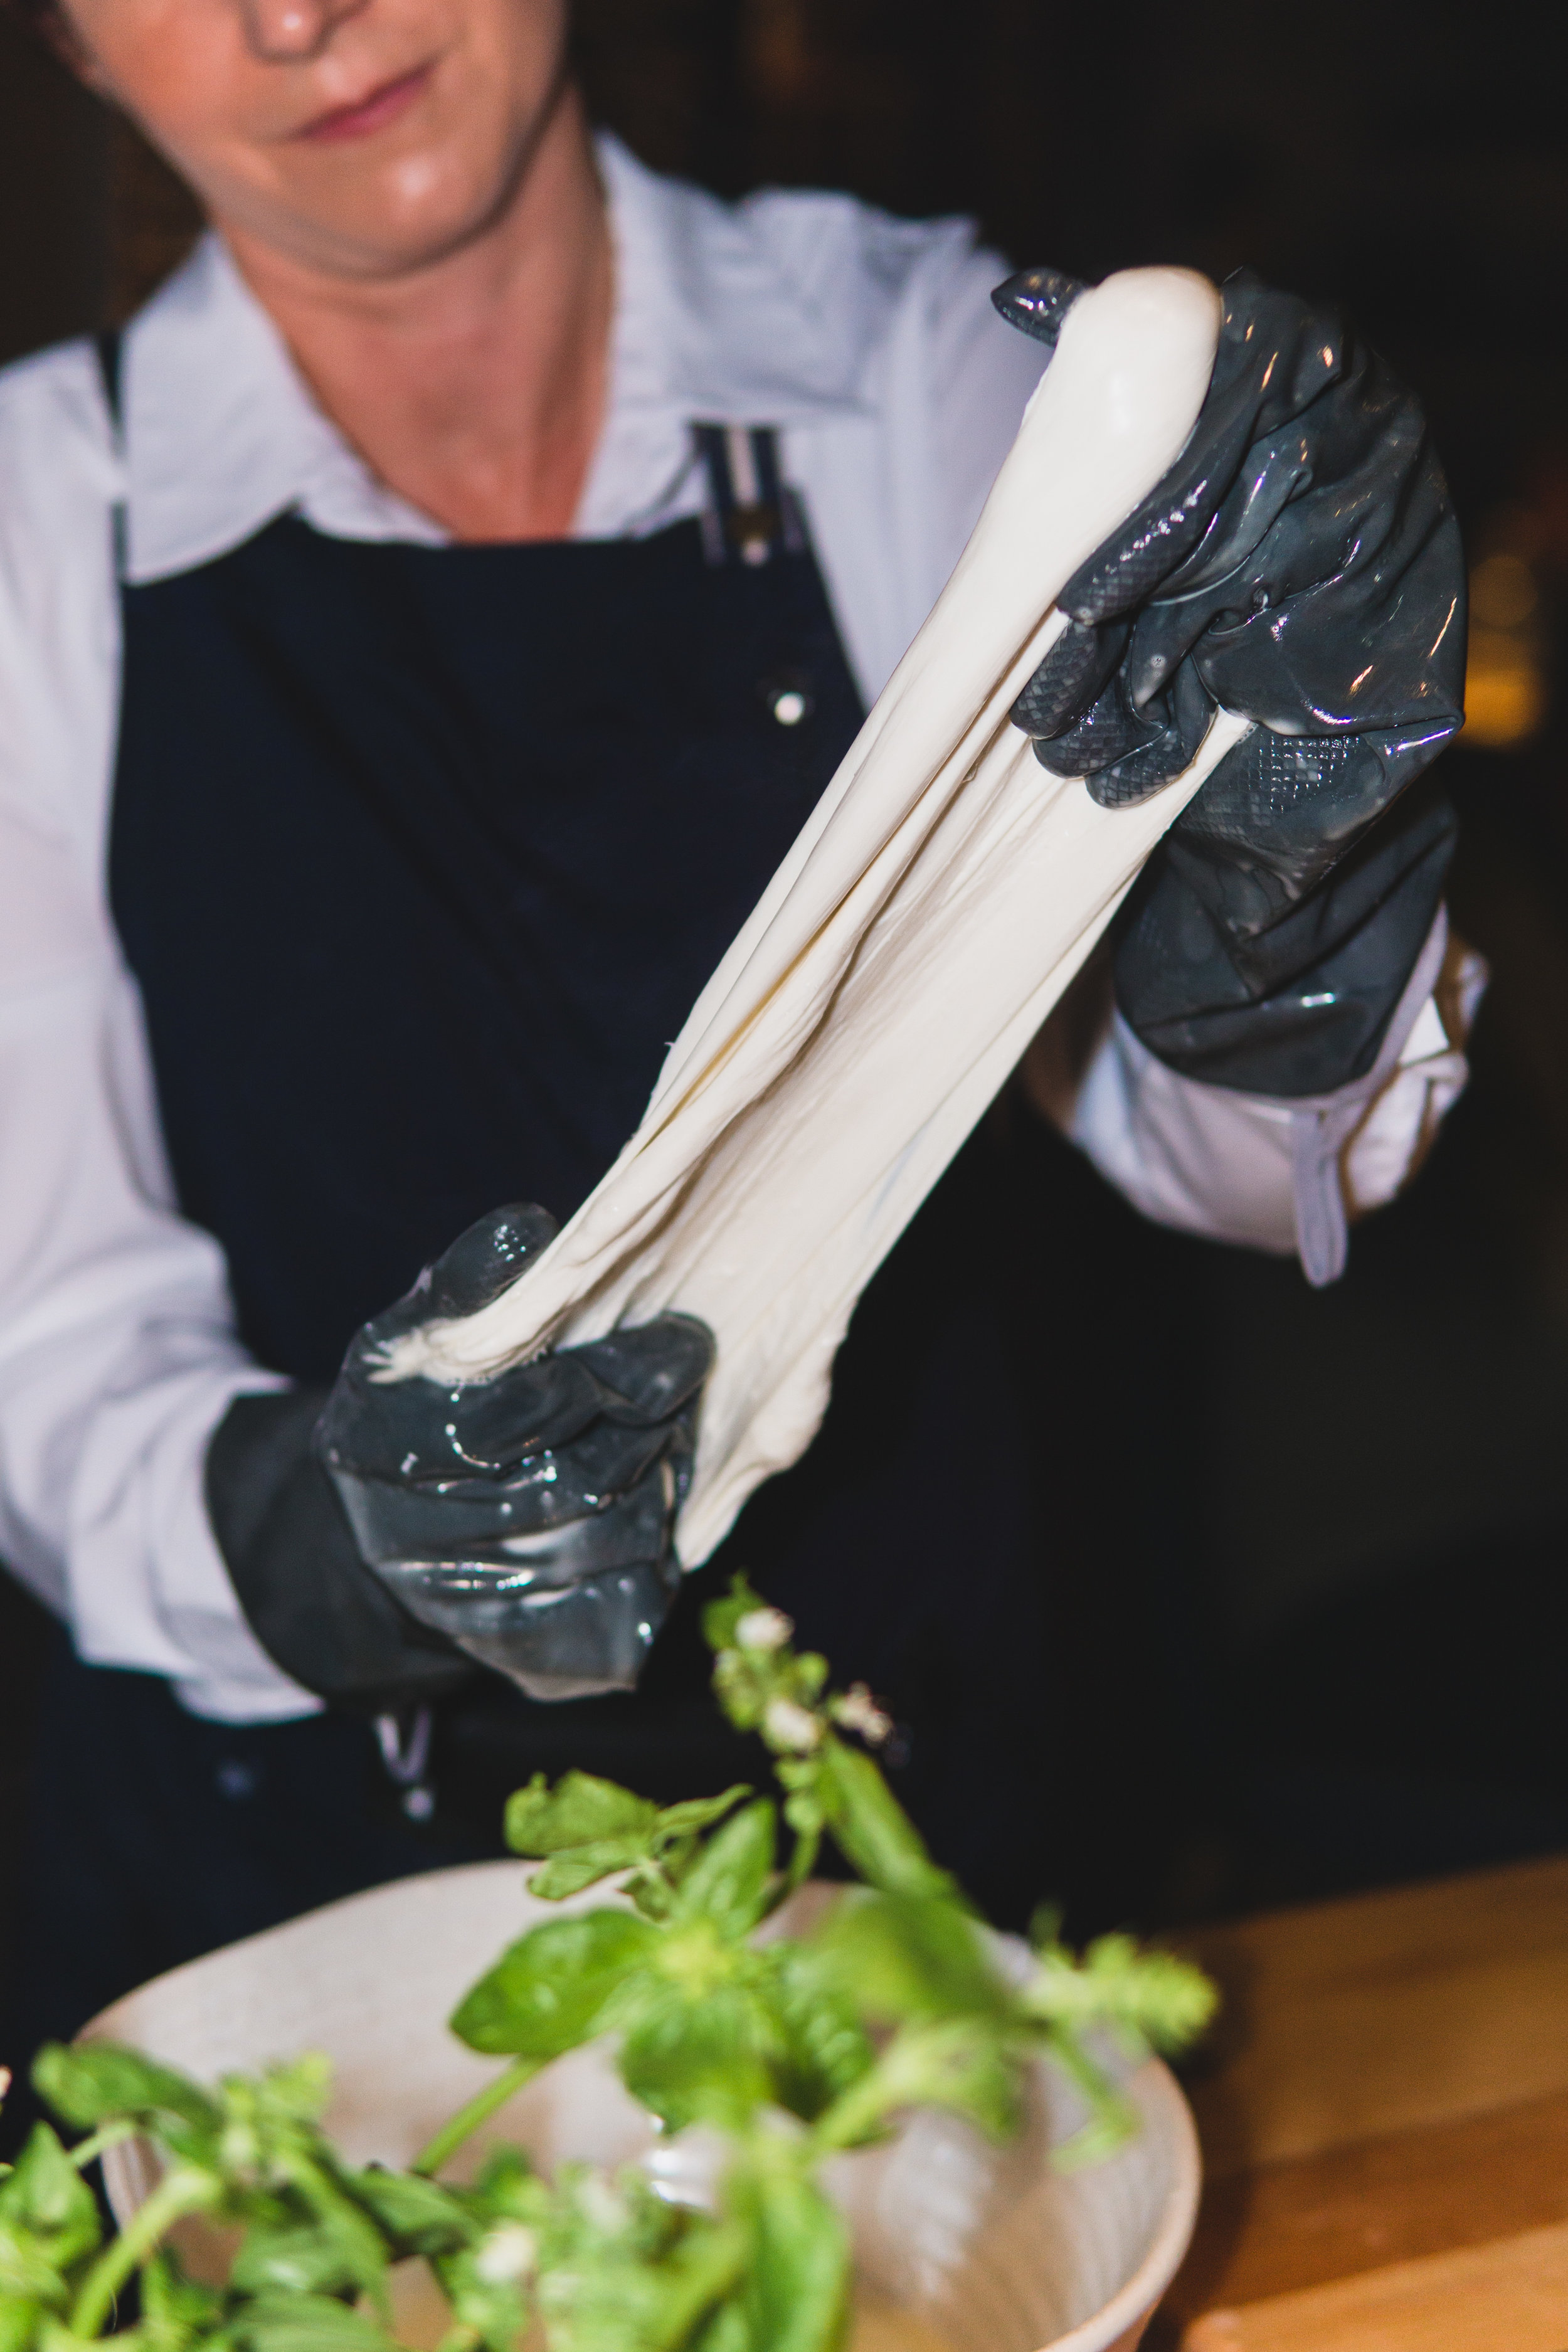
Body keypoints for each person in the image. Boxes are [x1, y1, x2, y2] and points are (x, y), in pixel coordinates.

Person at [0, 0, 1476, 2082]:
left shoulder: (917, 374)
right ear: (68, 50)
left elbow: (1244, 1169)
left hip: (909, 1841)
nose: (291, 16)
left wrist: (1292, 885)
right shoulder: (34, 533)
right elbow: (46, 1348)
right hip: (281, 1930)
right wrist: (317, 1544)